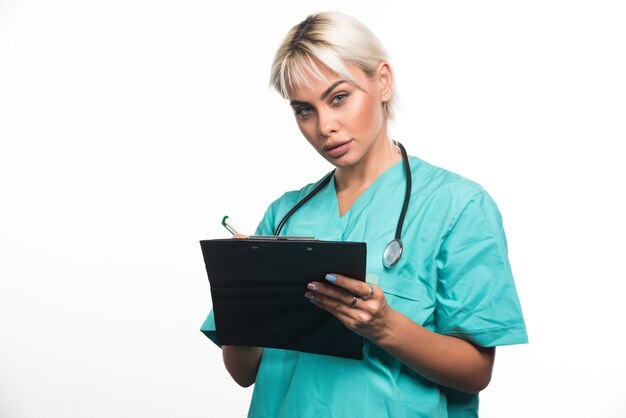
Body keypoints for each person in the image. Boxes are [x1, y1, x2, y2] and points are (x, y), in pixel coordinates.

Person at [201, 11, 527, 417]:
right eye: (304, 110)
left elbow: (477, 371)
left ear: (383, 81)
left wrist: (386, 327)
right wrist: (244, 299)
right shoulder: (283, 216)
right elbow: (243, 372)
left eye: (339, 97)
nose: (325, 126)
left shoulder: (457, 206)